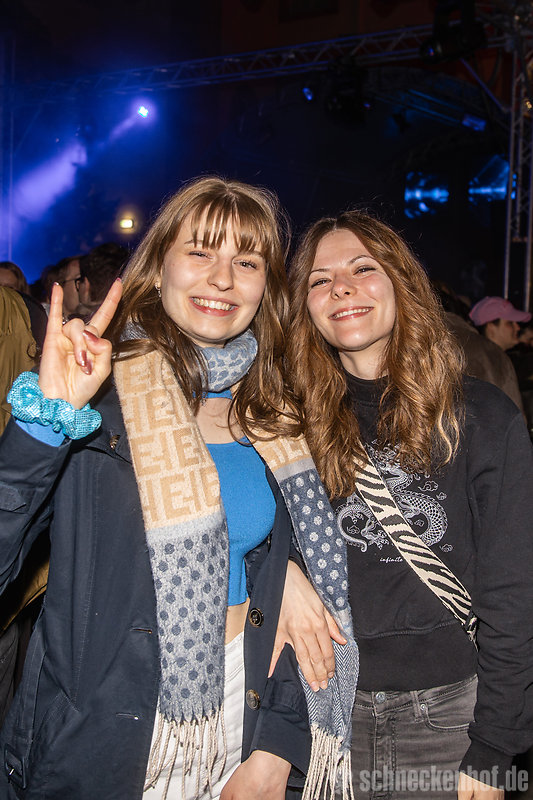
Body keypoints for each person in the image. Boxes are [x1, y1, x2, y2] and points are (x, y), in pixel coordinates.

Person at [0, 177, 350, 800]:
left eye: (247, 262)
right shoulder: (95, 400)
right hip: (105, 733)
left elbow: (300, 587)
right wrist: (44, 424)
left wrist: (276, 746)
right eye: (200, 252)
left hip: (241, 709)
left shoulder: (275, 415)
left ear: (265, 288)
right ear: (157, 267)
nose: (223, 278)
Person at [286, 209, 533, 800]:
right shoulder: (287, 424)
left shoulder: (481, 416)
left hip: (450, 720)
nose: (341, 287)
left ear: (402, 283)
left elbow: (514, 593)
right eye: (320, 279)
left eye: (362, 269)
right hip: (321, 713)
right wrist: (283, 575)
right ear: (303, 306)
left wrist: (496, 749)